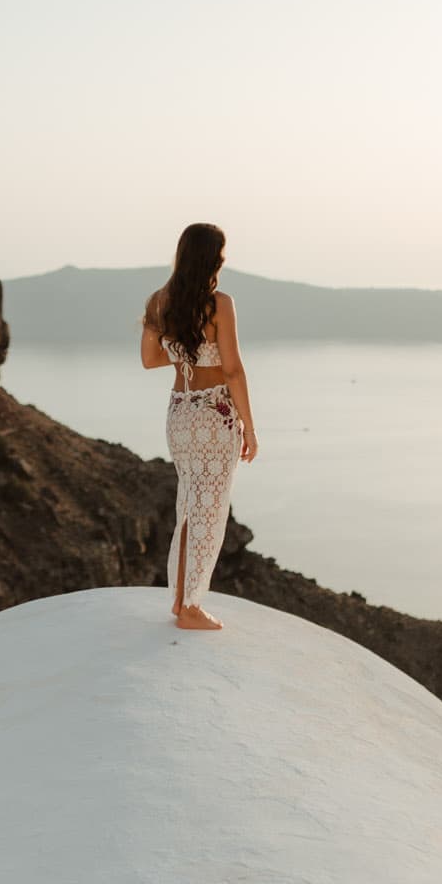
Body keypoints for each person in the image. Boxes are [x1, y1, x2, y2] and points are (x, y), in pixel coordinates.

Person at [138, 222, 257, 630]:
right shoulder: (220, 303)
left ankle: (180, 600)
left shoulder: (159, 302)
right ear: (214, 258)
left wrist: (184, 352)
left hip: (180, 413)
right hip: (215, 414)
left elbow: (150, 360)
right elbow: (233, 370)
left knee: (188, 504)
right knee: (210, 509)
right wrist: (250, 427)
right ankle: (189, 607)